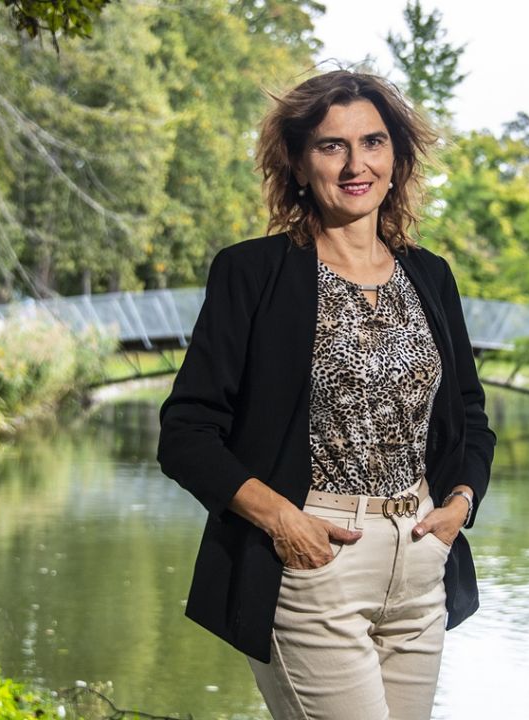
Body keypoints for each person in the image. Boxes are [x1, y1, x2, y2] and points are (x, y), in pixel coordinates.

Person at [156, 69, 496, 720]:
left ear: (396, 159)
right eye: (331, 145)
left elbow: (470, 415)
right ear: (297, 162)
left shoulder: (431, 276)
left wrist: (460, 502)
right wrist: (283, 521)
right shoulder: (252, 273)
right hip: (315, 560)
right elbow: (186, 434)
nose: (354, 164)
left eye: (372, 142)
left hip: (421, 559)